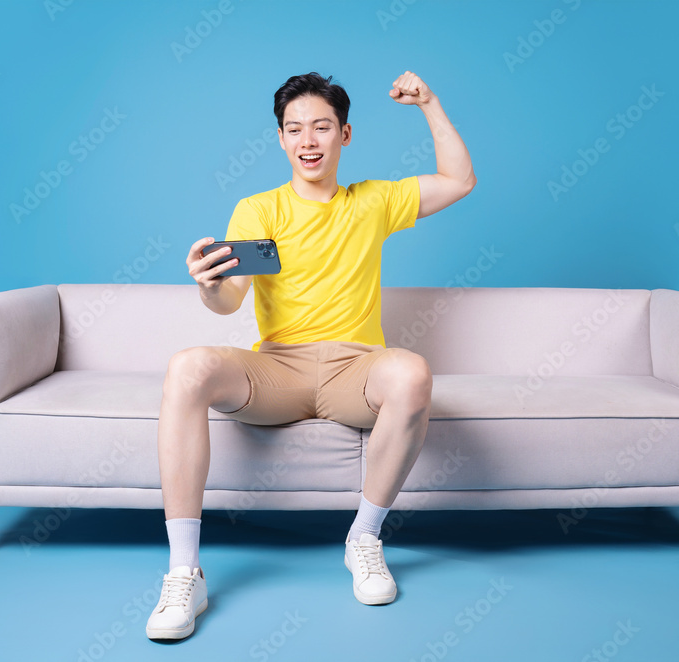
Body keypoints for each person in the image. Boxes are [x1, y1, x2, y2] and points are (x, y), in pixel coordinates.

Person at [146, 70, 476, 640]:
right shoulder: (260, 211)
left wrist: (430, 104)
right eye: (294, 129)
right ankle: (184, 573)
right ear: (280, 139)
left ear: (344, 135)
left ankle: (364, 538)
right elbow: (228, 301)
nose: (308, 140)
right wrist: (207, 285)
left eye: (321, 127)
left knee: (412, 372)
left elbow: (459, 179)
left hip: (355, 368)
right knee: (186, 366)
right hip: (278, 368)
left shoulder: (374, 201)